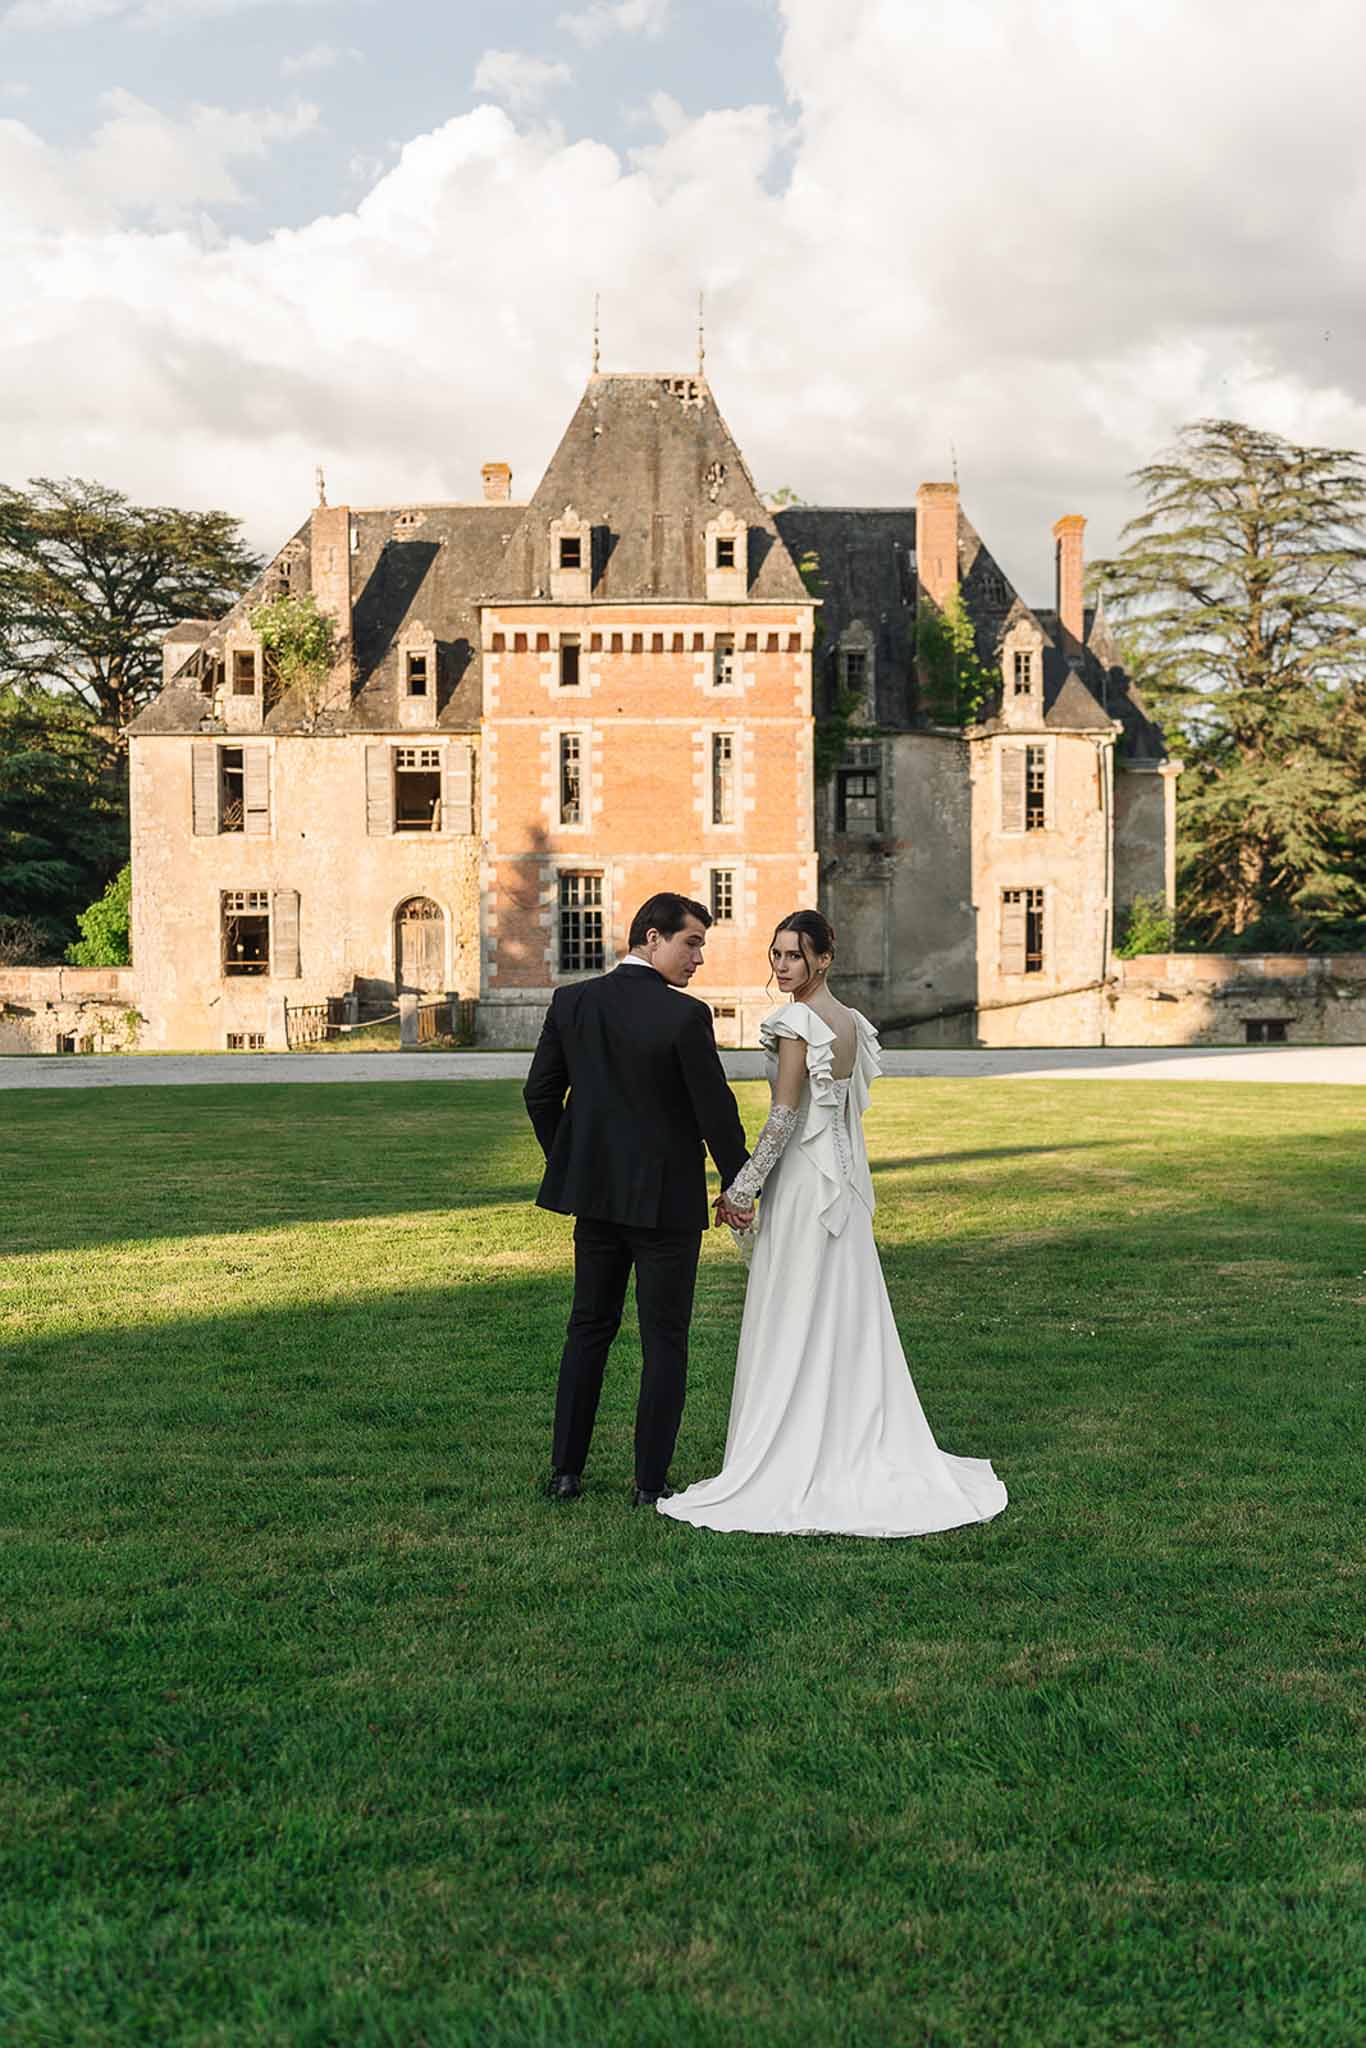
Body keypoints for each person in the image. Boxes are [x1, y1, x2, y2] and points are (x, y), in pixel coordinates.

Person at [658, 908, 1008, 1537]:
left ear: (823, 959)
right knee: (839, 1311)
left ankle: (797, 1450)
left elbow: (785, 1117)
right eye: (776, 955)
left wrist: (742, 1188)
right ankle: (848, 1434)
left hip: (802, 1186)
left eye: (793, 955)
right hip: (839, 1186)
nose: (781, 966)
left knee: (796, 1307)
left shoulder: (797, 1020)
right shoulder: (850, 1021)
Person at [523, 891, 753, 1506]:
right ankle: (649, 1485)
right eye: (692, 942)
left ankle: (565, 1474)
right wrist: (740, 1181)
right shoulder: (685, 1016)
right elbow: (716, 1113)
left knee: (588, 1329)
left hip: (595, 1201)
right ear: (652, 938)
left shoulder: (573, 1002)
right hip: (666, 1206)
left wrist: (572, 1163)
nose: (698, 957)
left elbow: (539, 1095)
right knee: (664, 1339)